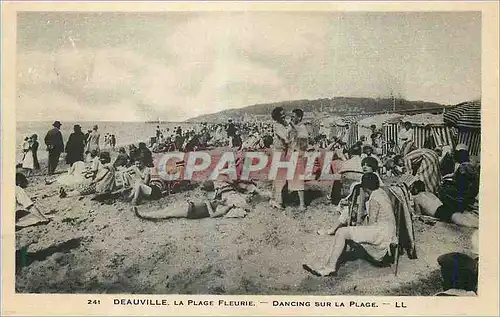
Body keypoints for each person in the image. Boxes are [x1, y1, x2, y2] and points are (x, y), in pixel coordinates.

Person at [303, 173, 396, 276]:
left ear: (365, 187)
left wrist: (356, 231)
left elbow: (371, 223)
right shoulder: (380, 192)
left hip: (381, 233)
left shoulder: (374, 198)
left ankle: (330, 268)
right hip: (386, 229)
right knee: (346, 232)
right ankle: (329, 262)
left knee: (342, 232)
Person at [133, 180, 257, 220]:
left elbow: (213, 215)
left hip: (190, 211)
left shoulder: (224, 209)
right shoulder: (221, 202)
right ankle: (146, 214)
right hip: (189, 206)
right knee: (166, 210)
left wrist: (209, 204)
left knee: (166, 214)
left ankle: (144, 215)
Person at [411, 180, 478, 228]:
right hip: (443, 206)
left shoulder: (416, 198)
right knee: (458, 215)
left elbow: (418, 215)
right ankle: (476, 221)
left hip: (438, 211)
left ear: (416, 189)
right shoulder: (429, 193)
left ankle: (476, 225)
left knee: (458, 219)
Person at [269, 106, 292, 209]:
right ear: (277, 116)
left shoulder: (284, 124)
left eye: (284, 113)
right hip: (279, 152)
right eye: (281, 114)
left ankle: (276, 198)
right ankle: (277, 201)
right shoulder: (278, 126)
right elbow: (286, 139)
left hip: (284, 151)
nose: (284, 115)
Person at [289, 108, 309, 211]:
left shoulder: (302, 128)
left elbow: (304, 142)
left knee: (299, 179)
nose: (291, 118)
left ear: (299, 117)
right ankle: (295, 199)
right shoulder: (296, 128)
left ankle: (302, 204)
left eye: (293, 116)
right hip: (294, 154)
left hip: (299, 155)